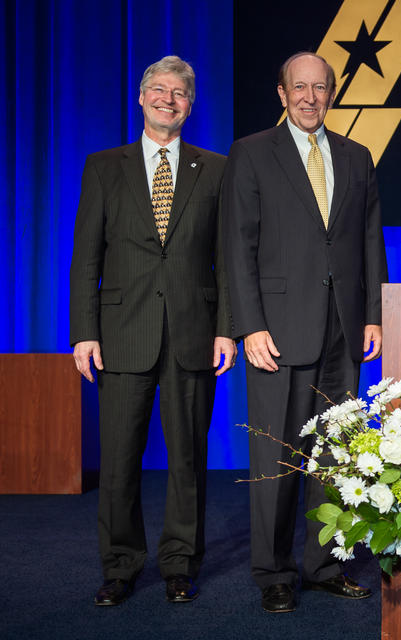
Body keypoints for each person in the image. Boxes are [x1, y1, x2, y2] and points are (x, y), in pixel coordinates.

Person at [222, 52, 388, 613]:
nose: (309, 97)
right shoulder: (250, 153)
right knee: (276, 457)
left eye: (320, 87)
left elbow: (369, 242)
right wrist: (250, 326)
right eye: (300, 87)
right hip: (278, 332)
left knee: (336, 456)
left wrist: (374, 314)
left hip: (343, 329)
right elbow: (236, 249)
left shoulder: (357, 155)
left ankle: (323, 565)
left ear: (332, 93)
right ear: (281, 92)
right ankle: (273, 571)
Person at [70, 55, 236, 606]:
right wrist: (83, 332)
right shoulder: (103, 166)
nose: (169, 99)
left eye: (181, 93)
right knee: (118, 459)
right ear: (141, 98)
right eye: (159, 90)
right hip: (120, 333)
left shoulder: (214, 168)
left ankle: (179, 564)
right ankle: (119, 566)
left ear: (191, 105)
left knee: (187, 457)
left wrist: (226, 329)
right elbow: (85, 259)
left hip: (194, 331)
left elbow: (227, 258)